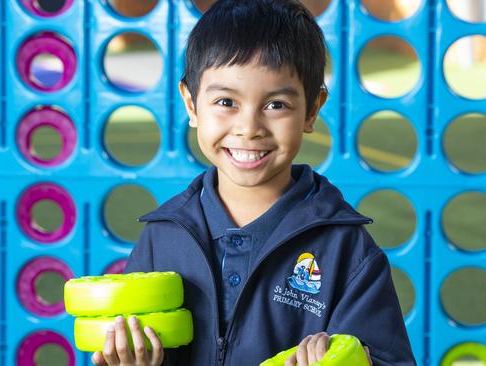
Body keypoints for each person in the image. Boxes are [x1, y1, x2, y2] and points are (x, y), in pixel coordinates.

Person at [92, 0, 416, 365]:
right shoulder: (162, 238)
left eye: (276, 105)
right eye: (226, 101)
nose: (249, 128)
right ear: (191, 104)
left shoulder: (348, 251)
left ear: (312, 109)